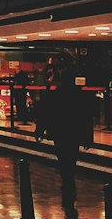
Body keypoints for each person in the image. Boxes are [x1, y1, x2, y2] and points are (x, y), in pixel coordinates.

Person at [36, 69, 94, 210]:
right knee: (72, 155)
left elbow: (46, 112)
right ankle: (70, 178)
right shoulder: (79, 95)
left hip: (59, 131)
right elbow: (86, 117)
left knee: (62, 156)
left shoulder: (55, 94)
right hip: (74, 131)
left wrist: (39, 130)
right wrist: (88, 137)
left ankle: (67, 179)